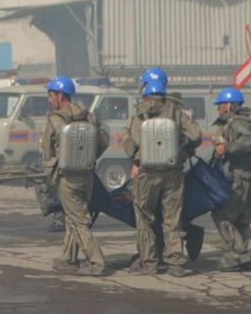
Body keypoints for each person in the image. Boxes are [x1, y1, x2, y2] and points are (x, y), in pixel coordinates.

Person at [123, 80, 202, 277]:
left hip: (147, 174)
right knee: (173, 219)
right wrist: (184, 146)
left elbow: (130, 140)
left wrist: (136, 158)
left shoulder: (139, 114)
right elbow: (197, 135)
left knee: (144, 217)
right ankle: (175, 263)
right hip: (173, 172)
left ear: (147, 95)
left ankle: (149, 262)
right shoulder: (177, 112)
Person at [42, 76, 109, 276]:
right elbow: (103, 142)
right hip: (86, 176)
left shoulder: (54, 119)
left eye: (51, 95)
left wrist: (52, 169)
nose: (49, 99)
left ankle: (97, 262)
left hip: (67, 178)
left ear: (60, 96)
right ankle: (68, 259)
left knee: (78, 220)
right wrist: (88, 159)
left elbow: (47, 151)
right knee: (73, 217)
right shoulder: (88, 116)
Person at [211, 88, 251, 271]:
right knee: (241, 220)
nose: (218, 109)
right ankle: (250, 259)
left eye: (220, 105)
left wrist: (227, 149)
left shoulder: (237, 122)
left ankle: (240, 254)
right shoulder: (246, 121)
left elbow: (247, 141)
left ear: (229, 105)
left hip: (242, 178)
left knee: (221, 215)